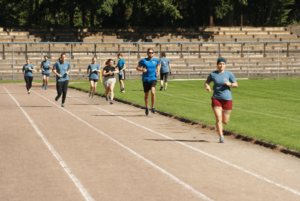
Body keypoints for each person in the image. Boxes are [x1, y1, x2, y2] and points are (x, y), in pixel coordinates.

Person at [204, 58, 238, 143]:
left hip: (227, 99)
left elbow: (236, 84)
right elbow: (206, 82)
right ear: (217, 65)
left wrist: (230, 84)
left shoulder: (229, 74)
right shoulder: (213, 74)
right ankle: (221, 136)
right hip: (216, 98)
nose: (221, 65)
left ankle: (221, 127)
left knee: (225, 121)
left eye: (223, 64)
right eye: (220, 64)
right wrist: (207, 86)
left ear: (225, 65)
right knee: (218, 118)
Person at [136, 48, 160, 115]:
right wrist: (141, 70)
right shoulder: (143, 60)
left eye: (152, 52)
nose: (151, 54)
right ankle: (146, 107)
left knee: (153, 92)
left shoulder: (156, 60)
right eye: (149, 52)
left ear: (153, 53)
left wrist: (158, 70)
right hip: (146, 79)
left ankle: (152, 107)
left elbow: (158, 65)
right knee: (147, 95)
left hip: (153, 78)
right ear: (147, 53)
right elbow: (137, 68)